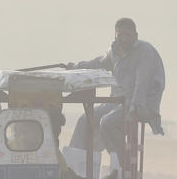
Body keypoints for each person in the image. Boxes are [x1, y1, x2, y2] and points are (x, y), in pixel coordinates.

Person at [67, 18, 165, 160]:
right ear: (115, 35)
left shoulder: (145, 52)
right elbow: (98, 63)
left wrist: (134, 109)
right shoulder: (113, 52)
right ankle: (76, 165)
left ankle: (120, 162)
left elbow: (142, 83)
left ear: (135, 36)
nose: (124, 39)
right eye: (121, 35)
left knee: (107, 123)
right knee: (84, 120)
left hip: (141, 104)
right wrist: (75, 67)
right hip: (117, 102)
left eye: (128, 35)